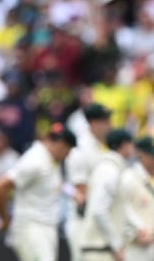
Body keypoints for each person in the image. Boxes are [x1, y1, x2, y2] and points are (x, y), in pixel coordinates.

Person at [0, 122, 76, 261]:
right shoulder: (35, 160)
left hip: (44, 229)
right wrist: (4, 219)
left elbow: (55, 184)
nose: (67, 156)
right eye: (67, 151)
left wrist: (74, 193)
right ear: (61, 144)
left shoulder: (50, 160)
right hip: (31, 229)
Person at [64, 102, 112, 261]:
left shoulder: (101, 147)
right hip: (82, 222)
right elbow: (80, 191)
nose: (109, 126)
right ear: (92, 123)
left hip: (98, 220)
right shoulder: (80, 150)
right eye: (104, 122)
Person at [79, 128, 134, 261]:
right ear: (124, 145)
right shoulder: (109, 170)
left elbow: (120, 209)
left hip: (102, 250)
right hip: (100, 251)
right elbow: (98, 210)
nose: (133, 148)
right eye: (131, 144)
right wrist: (116, 244)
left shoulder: (112, 168)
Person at [120, 135, 154, 261]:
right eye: (153, 155)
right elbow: (121, 209)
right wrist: (133, 234)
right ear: (140, 156)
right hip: (137, 247)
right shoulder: (128, 177)